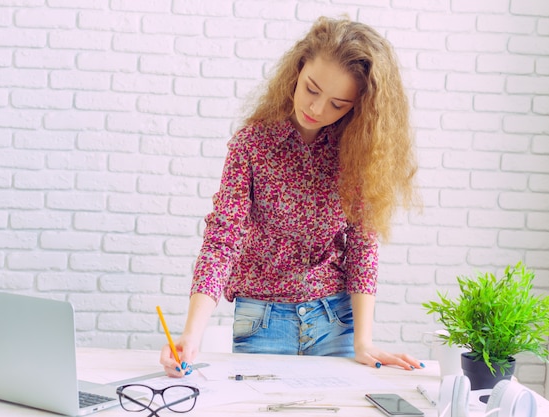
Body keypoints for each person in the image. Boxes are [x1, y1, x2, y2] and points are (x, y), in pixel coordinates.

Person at [160, 15, 421, 377]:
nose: (317, 109)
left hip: (335, 317)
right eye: (312, 89)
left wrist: (364, 341)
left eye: (338, 104)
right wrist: (192, 334)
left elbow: (362, 244)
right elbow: (223, 239)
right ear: (298, 69)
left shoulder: (357, 152)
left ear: (358, 105)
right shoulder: (252, 145)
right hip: (262, 319)